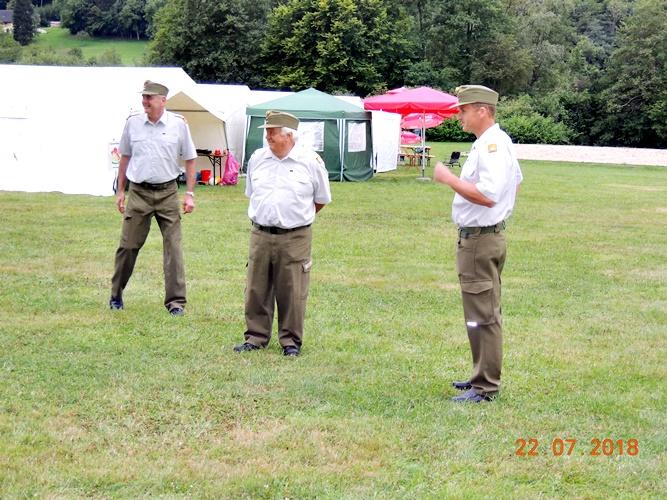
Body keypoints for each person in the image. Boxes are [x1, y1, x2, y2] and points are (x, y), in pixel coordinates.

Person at [433, 85, 523, 402]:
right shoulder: (492, 142)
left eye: (464, 110)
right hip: (483, 237)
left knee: (483, 314)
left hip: (481, 240)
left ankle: (485, 386)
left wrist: (449, 179)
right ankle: (480, 375)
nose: (459, 116)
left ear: (482, 110)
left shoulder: (492, 146)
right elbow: (516, 183)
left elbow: (487, 195)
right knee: (477, 312)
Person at [234, 110, 332, 357]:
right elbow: (252, 193)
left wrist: (296, 218)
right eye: (267, 131)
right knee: (256, 288)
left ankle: (290, 341)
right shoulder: (257, 158)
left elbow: (321, 199)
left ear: (289, 136)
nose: (267, 136)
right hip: (260, 233)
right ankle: (255, 337)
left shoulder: (310, 162)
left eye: (272, 132)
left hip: (295, 236)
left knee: (292, 289)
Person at [109, 80, 197, 315]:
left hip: (168, 192)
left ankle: (176, 303)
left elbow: (190, 158)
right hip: (139, 193)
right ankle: (116, 295)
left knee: (174, 249)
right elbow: (125, 157)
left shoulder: (178, 125)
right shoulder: (133, 123)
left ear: (163, 100)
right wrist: (120, 191)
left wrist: (189, 194)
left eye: (149, 97)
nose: (144, 101)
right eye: (143, 97)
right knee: (128, 246)